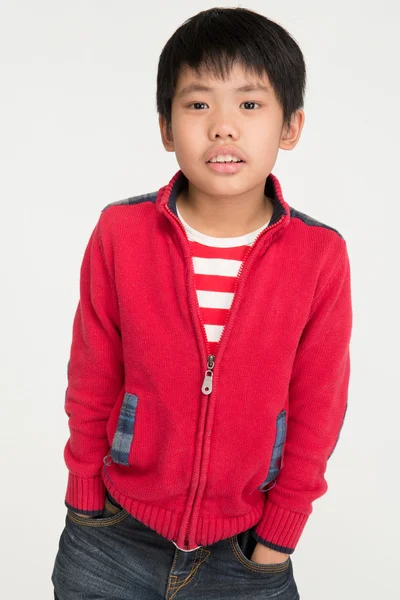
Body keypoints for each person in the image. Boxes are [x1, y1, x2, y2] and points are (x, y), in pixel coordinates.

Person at [51, 7, 352, 600]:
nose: (223, 127)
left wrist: (278, 539)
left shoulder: (319, 256)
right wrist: (84, 492)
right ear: (166, 127)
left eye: (249, 104)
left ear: (290, 126)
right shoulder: (121, 233)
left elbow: (318, 406)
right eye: (197, 105)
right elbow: (92, 374)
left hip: (245, 552)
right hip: (112, 538)